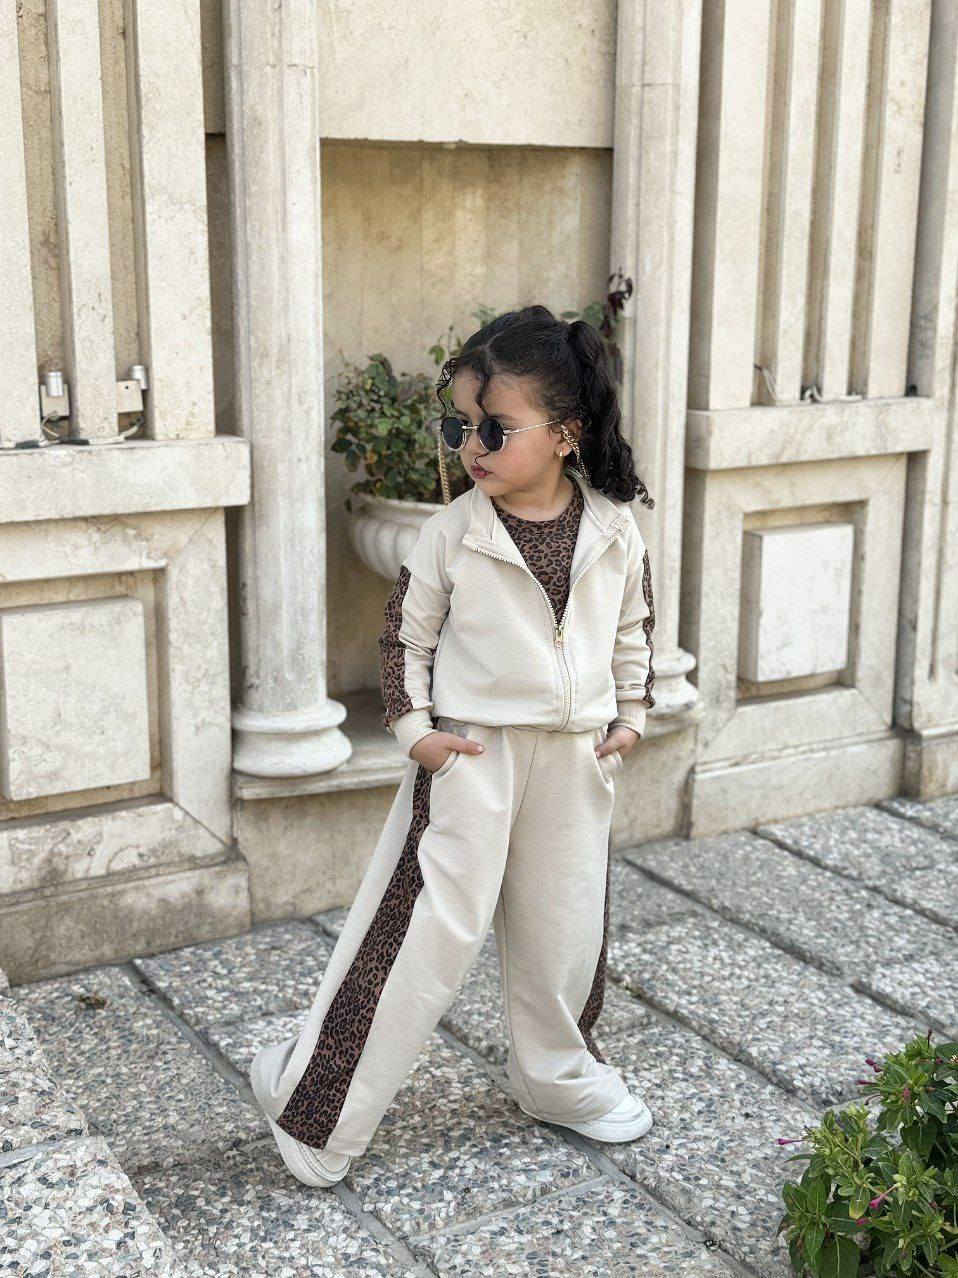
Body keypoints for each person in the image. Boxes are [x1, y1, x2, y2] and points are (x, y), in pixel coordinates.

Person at [250, 304, 657, 1187]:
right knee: (422, 937)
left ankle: (558, 1077)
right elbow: (405, 637)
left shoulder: (615, 528)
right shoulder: (453, 531)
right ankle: (314, 1108)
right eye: (460, 426)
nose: (472, 445)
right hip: (472, 757)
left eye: (494, 428)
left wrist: (630, 714)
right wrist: (419, 734)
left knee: (566, 926)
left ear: (566, 433)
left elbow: (633, 628)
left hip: (576, 756)